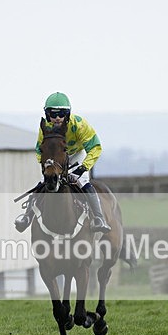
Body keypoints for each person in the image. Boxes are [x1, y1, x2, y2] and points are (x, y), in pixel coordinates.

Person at [14, 92, 111, 233]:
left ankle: (98, 217)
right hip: (55, 157)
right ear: (47, 115)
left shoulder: (79, 125)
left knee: (83, 182)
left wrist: (82, 168)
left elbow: (95, 147)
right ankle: (27, 217)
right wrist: (47, 165)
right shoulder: (45, 127)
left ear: (68, 113)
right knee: (44, 182)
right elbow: (39, 149)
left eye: (61, 114)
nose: (57, 118)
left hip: (76, 154)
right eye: (53, 114)